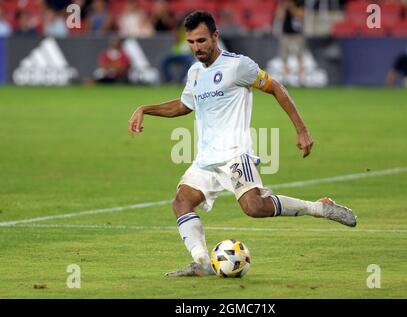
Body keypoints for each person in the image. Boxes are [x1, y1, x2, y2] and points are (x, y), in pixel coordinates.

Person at [128, 11, 357, 277]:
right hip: (206, 159)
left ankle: (319, 208)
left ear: (215, 36)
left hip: (235, 154)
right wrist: (146, 108)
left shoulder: (238, 66)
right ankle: (201, 261)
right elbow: (183, 105)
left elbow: (276, 88)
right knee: (181, 202)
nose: (196, 48)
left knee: (254, 208)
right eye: (191, 42)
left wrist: (301, 129)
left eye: (201, 40)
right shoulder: (194, 73)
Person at [275, 0, 306, 84]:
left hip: (297, 34)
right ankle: (286, 78)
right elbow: (279, 15)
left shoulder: (300, 2)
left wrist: (292, 7)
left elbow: (302, 15)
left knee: (300, 56)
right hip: (286, 34)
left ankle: (301, 79)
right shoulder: (283, 2)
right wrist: (285, 7)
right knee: (284, 57)